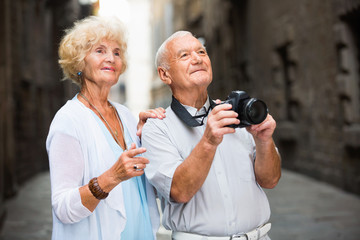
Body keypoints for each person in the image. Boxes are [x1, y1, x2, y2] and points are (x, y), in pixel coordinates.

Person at [141, 31, 281, 240]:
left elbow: (270, 180)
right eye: (184, 55)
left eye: (201, 52)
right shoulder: (157, 128)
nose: (197, 58)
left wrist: (264, 140)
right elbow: (179, 191)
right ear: (164, 75)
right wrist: (208, 140)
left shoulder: (238, 114)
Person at [46, 16, 164, 240]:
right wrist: (111, 177)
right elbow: (62, 208)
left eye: (117, 52)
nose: (111, 58)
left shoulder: (126, 115)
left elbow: (145, 181)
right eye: (100, 50)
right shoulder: (67, 120)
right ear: (80, 62)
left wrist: (149, 136)